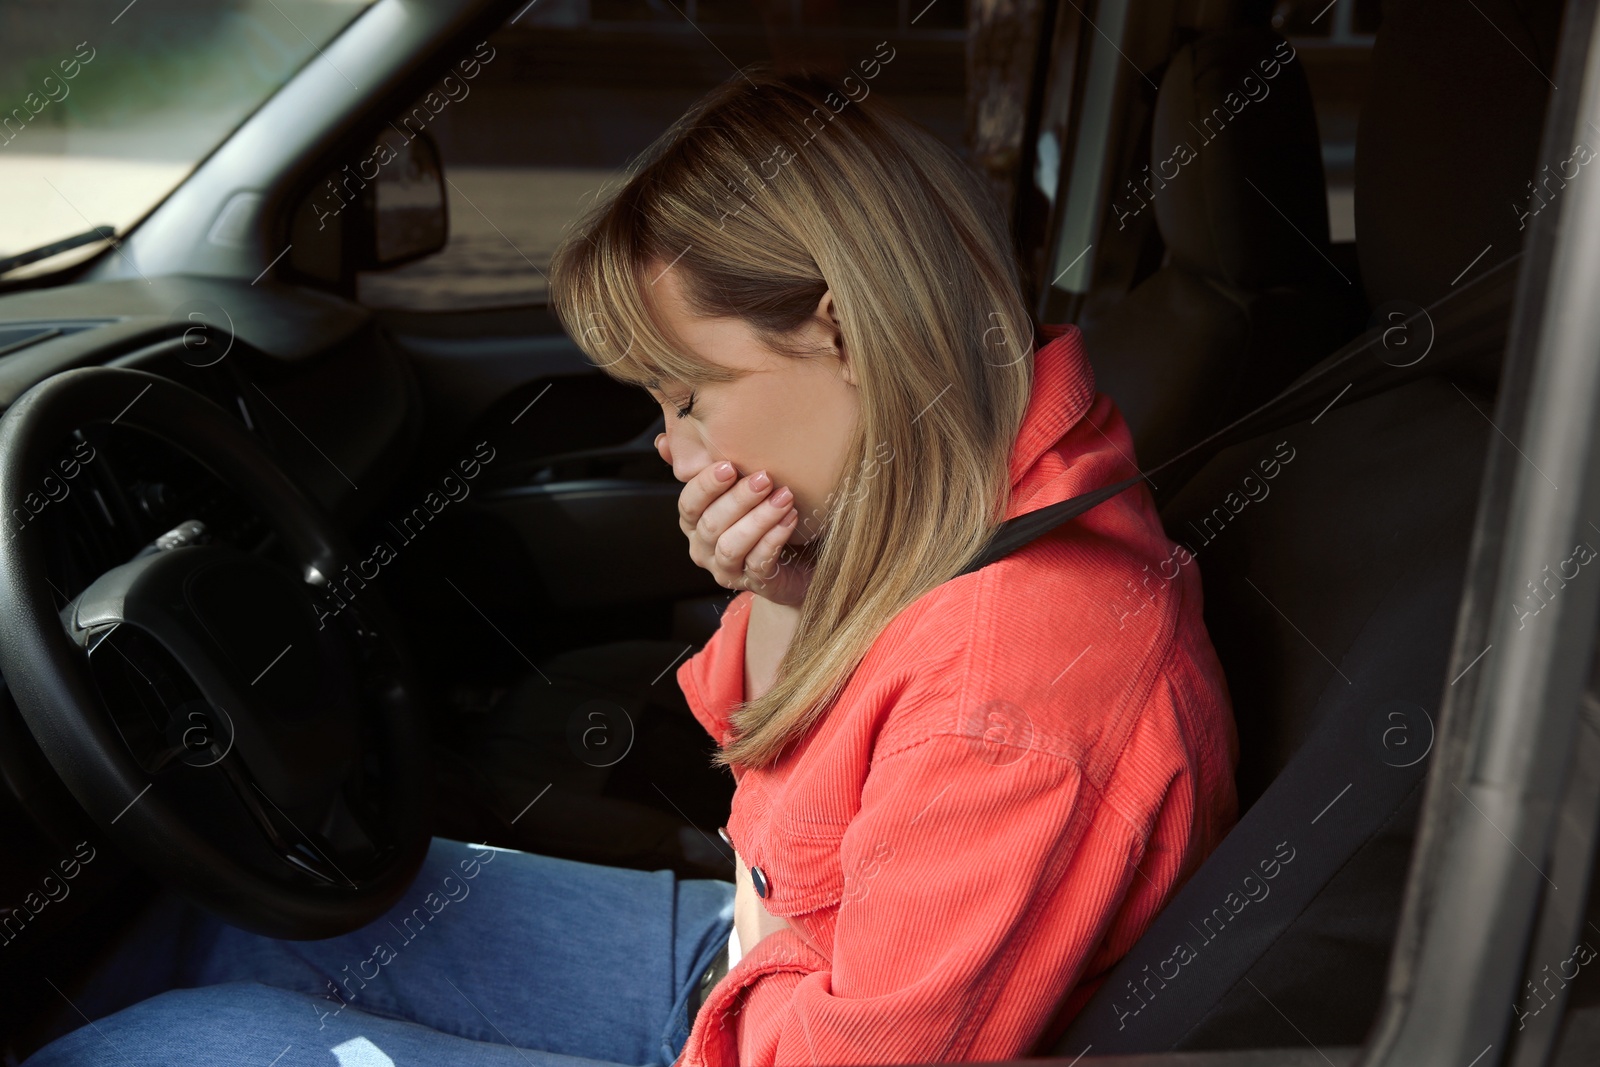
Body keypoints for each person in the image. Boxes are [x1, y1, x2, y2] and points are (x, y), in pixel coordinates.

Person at [20, 66, 1237, 1067]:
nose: (669, 443)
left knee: (173, 1044)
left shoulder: (1008, 688)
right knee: (215, 930)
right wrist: (779, 589)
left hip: (774, 1032)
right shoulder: (991, 497)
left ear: (844, 330)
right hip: (752, 963)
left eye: (691, 393)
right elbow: (761, 746)